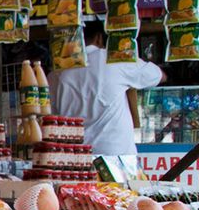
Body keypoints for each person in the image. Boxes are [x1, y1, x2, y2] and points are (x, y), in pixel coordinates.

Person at [50, 19, 165, 157]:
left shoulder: (57, 71)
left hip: (75, 158)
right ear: (99, 37)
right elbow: (159, 76)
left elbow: (50, 115)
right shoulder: (115, 59)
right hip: (115, 155)